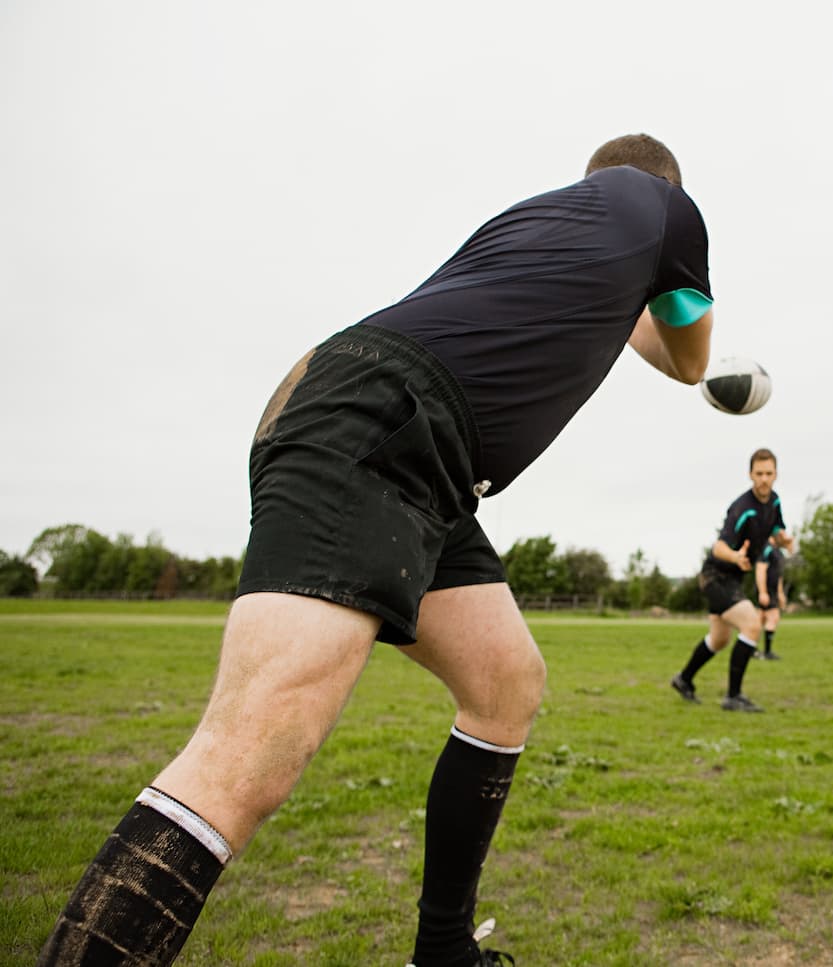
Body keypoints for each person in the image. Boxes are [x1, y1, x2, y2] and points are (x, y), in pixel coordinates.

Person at [36, 134, 715, 967]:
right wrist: (701, 353)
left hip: (416, 443)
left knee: (506, 681)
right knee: (253, 747)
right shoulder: (667, 210)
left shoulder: (551, 222)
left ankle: (444, 953)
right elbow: (689, 359)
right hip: (388, 416)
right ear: (666, 185)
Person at [670, 448, 795, 712]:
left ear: (776, 475)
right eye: (759, 473)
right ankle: (733, 696)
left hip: (732, 580)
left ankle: (684, 679)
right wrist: (736, 557)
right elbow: (718, 548)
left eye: (769, 473)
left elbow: (776, 530)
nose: (763, 479)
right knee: (752, 625)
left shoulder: (774, 501)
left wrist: (784, 539)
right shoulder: (742, 508)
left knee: (719, 640)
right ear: (750, 474)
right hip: (715, 576)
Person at [756, 545, 787, 660]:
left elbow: (778, 575)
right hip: (766, 590)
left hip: (772, 591)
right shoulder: (766, 548)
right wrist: (762, 591)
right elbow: (760, 569)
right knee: (773, 618)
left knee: (761, 620)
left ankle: (750, 649)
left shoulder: (779, 552)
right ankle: (767, 653)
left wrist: (780, 593)